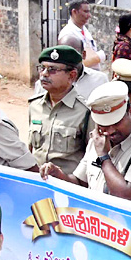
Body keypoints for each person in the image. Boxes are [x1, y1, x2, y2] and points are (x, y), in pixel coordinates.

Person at [40, 82, 131, 206]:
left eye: (116, 123)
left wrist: (104, 157)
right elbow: (80, 182)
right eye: (103, 125)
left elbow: (126, 196)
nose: (110, 131)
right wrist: (59, 175)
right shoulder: (98, 141)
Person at [28, 46, 91, 175]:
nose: (44, 74)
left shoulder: (85, 111)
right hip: (38, 181)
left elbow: (91, 156)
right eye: (42, 68)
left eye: (52, 70)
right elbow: (31, 148)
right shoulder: (35, 105)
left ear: (72, 75)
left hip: (67, 185)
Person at [57, 0, 105, 70]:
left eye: (89, 12)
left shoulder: (85, 31)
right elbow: (71, 63)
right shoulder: (67, 34)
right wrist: (99, 56)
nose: (89, 15)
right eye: (85, 12)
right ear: (74, 12)